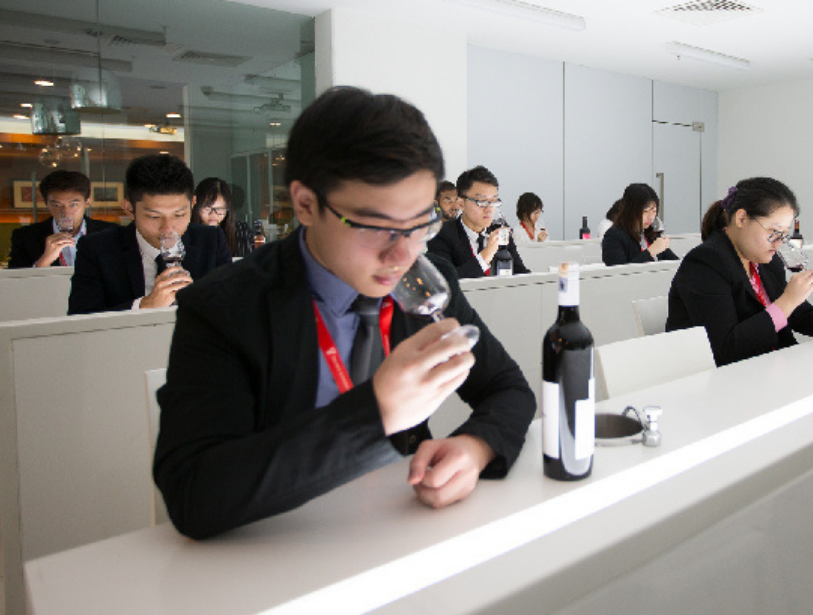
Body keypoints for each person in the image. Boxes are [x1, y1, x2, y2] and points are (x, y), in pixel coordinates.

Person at [154, 87, 535, 540]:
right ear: (306, 204)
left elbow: (508, 388)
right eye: (375, 226)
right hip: (279, 550)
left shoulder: (427, 281)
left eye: (419, 224)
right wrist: (376, 413)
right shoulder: (226, 308)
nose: (402, 255)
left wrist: (474, 447)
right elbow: (193, 493)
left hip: (400, 530)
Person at [667, 177, 813, 366]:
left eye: (784, 234)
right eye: (773, 231)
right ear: (741, 218)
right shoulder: (706, 262)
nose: (779, 242)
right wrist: (787, 301)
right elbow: (727, 348)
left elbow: (799, 314)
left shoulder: (766, 260)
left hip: (769, 368)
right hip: (728, 383)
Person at [67, 155, 232, 315]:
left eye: (179, 214)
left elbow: (233, 308)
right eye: (154, 216)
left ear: (192, 204)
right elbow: (81, 321)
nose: (168, 228)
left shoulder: (212, 240)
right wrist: (145, 306)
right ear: (129, 209)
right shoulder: (97, 249)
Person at [426, 165, 530, 277]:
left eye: (494, 201)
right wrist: (486, 255)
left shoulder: (499, 230)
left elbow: (521, 274)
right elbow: (446, 281)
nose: (489, 209)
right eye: (482, 202)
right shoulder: (442, 233)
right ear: (461, 203)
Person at [7, 170, 115, 268]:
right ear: (46, 203)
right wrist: (44, 261)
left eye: (73, 205)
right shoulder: (26, 237)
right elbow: (14, 284)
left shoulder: (111, 233)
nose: (65, 213)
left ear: (87, 202)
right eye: (57, 205)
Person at [602, 183, 679, 265]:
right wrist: (651, 252)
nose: (651, 217)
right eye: (645, 211)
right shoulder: (614, 237)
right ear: (631, 210)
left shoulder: (651, 233)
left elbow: (675, 264)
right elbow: (619, 273)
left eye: (654, 211)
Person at [191, 177, 252, 258]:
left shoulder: (241, 231)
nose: (213, 214)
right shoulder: (186, 233)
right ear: (196, 206)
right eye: (207, 208)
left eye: (219, 209)